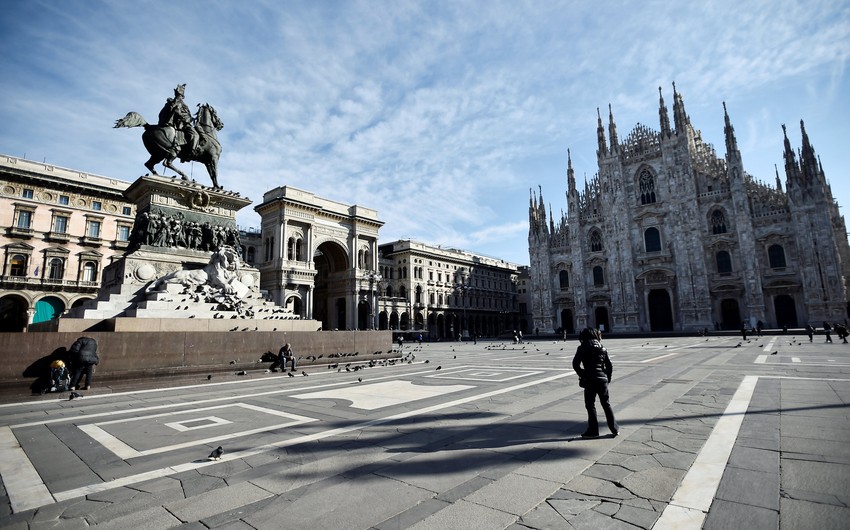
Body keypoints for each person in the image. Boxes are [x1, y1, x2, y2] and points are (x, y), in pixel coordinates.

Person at [572, 328, 618, 438]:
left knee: (590, 406)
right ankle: (614, 429)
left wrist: (583, 374)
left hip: (590, 380)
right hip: (602, 380)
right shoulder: (602, 348)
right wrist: (608, 378)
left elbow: (575, 364)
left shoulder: (582, 347)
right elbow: (609, 366)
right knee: (606, 404)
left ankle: (593, 431)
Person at [158, 84, 199, 159]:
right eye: (181, 95)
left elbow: (183, 113)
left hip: (183, 122)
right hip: (182, 124)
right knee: (195, 135)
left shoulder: (177, 101)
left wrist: (191, 118)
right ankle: (191, 152)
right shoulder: (178, 101)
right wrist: (188, 119)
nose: (181, 97)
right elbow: (178, 112)